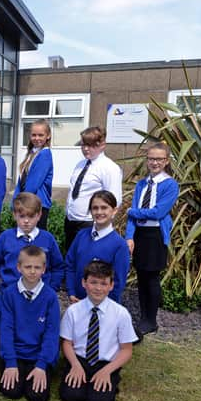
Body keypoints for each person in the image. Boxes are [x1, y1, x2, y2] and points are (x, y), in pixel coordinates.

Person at [59, 261, 138, 401]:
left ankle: (110, 380)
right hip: (79, 359)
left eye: (103, 283)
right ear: (84, 283)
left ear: (111, 285)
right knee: (70, 396)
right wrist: (75, 365)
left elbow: (126, 350)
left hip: (105, 363)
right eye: (93, 282)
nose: (98, 288)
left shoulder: (121, 314)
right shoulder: (73, 311)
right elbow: (66, 343)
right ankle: (79, 377)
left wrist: (107, 371)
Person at [126, 143, 179, 334]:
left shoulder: (170, 185)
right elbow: (133, 216)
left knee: (152, 278)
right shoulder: (142, 184)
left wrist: (133, 211)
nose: (154, 162)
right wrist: (129, 237)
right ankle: (143, 317)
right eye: (151, 159)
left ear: (166, 161)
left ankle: (151, 319)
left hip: (155, 235)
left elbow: (158, 212)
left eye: (159, 159)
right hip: (140, 235)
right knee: (141, 276)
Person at [0, 245, 60, 401]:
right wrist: (10, 362)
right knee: (11, 391)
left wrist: (41, 365)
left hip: (39, 355)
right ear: (19, 267)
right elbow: (6, 329)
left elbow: (51, 334)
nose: (32, 271)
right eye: (28, 267)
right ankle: (17, 368)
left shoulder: (50, 297)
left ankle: (39, 370)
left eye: (37, 267)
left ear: (44, 269)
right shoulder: (9, 294)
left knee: (37, 396)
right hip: (16, 354)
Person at [0, 192, 64, 291]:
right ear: (15, 215)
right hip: (9, 292)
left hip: (39, 294)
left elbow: (58, 267)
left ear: (39, 215)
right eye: (22, 216)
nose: (26, 221)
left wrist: (51, 288)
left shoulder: (48, 239)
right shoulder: (6, 237)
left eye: (31, 216)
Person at [66, 190, 130, 304]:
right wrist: (71, 291)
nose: (99, 212)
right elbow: (70, 264)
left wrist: (104, 305)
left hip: (103, 307)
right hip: (77, 301)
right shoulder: (81, 235)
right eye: (95, 208)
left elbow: (118, 282)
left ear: (114, 210)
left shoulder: (119, 245)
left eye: (104, 208)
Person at [65, 126, 122, 250]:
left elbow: (114, 199)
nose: (86, 149)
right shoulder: (80, 164)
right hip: (71, 221)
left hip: (90, 223)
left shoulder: (109, 168)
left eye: (91, 145)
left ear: (102, 145)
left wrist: (101, 225)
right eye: (83, 145)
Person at [13, 119, 54, 229]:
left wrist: (20, 202)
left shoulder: (45, 154)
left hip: (36, 205)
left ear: (48, 135)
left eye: (41, 135)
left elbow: (33, 184)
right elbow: (21, 181)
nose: (37, 138)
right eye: (34, 135)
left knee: (35, 243)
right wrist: (15, 201)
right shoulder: (31, 153)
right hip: (26, 203)